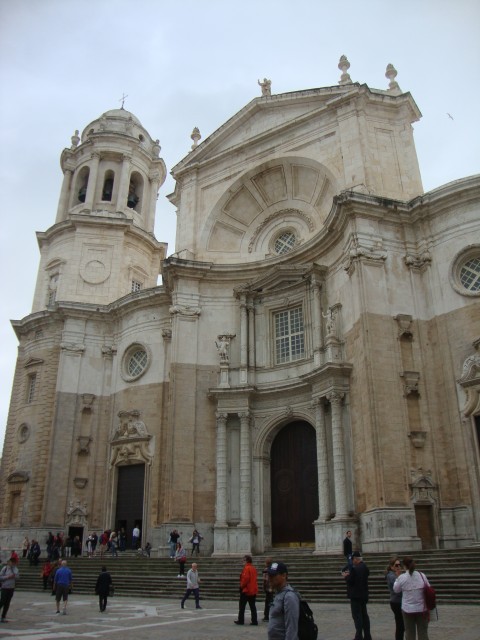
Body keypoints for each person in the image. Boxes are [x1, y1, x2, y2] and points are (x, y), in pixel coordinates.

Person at [394, 556, 431, 640]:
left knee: (410, 633)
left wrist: (397, 577)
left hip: (407, 609)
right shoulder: (422, 575)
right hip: (421, 608)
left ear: (404, 566)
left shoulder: (402, 577)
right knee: (423, 633)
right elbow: (428, 587)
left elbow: (396, 590)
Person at [342, 550, 372, 640]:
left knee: (357, 616)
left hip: (355, 596)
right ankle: (367, 635)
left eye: (353, 559)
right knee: (364, 615)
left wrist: (345, 576)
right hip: (363, 595)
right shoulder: (365, 567)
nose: (352, 561)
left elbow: (350, 580)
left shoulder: (355, 569)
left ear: (356, 559)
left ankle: (358, 636)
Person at [267, 561, 299, 640]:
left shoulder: (289, 596)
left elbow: (291, 628)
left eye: (273, 575)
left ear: (284, 575)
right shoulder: (278, 593)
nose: (269, 578)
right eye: (269, 575)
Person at [234, 555, 258, 626]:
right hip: (253, 589)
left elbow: (245, 579)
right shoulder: (253, 568)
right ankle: (254, 620)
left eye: (244, 560)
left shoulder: (246, 568)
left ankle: (241, 620)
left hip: (246, 590)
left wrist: (241, 586)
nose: (242, 562)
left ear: (247, 561)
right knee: (253, 606)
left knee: (242, 606)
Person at [386, 556, 405, 640]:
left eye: (399, 565)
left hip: (399, 601)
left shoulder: (397, 575)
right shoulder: (391, 576)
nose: (398, 567)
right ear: (391, 566)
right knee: (400, 625)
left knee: (401, 624)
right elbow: (397, 588)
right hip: (396, 602)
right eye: (396, 565)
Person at [0, 558, 20, 623]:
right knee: (2, 601)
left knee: (7, 603)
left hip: (11, 588)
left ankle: (3, 616)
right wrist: (8, 577)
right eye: (12, 562)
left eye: (14, 562)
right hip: (5, 587)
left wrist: (14, 574)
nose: (13, 564)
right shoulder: (5, 568)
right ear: (9, 562)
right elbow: (0, 577)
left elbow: (17, 577)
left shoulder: (15, 569)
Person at [262, 557, 274, 622]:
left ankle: (267, 616)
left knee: (268, 602)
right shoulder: (273, 569)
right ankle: (269, 615)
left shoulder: (266, 570)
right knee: (270, 602)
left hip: (268, 588)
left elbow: (265, 580)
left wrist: (263, 587)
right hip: (272, 588)